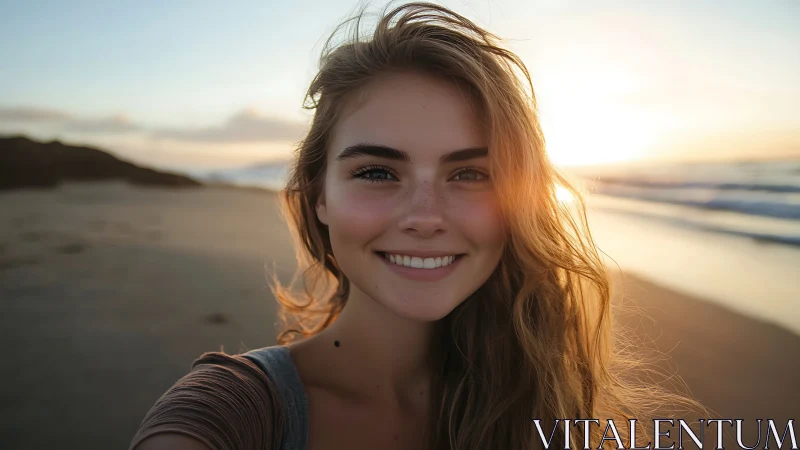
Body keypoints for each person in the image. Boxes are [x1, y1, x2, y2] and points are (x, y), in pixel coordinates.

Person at [129, 3, 704, 449]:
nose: (426, 217)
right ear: (319, 195)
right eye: (378, 172)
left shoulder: (541, 400)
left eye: (471, 173)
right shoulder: (232, 413)